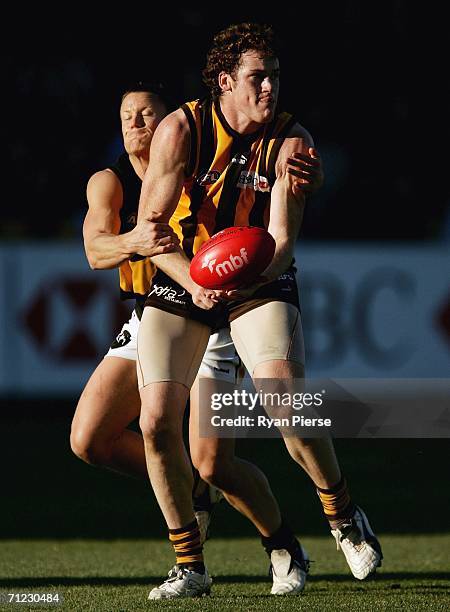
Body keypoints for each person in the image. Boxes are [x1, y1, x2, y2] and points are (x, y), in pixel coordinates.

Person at [136, 23, 382, 599]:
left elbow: (279, 242)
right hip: (182, 276)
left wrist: (238, 280)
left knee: (286, 405)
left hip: (259, 274)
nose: (270, 86)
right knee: (156, 425)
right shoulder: (181, 130)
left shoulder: (292, 142)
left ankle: (343, 514)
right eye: (257, 77)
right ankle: (191, 568)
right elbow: (150, 231)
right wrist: (196, 285)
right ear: (225, 81)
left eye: (275, 74)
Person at [69, 81, 323, 544]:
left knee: (215, 462)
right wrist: (135, 241)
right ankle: (192, 492)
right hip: (153, 311)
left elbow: (263, 200)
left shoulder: (202, 161)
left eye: (147, 114)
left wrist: (304, 179)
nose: (135, 124)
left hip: (211, 310)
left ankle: (280, 542)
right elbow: (95, 250)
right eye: (126, 116)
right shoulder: (111, 180)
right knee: (89, 439)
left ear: (171, 122)